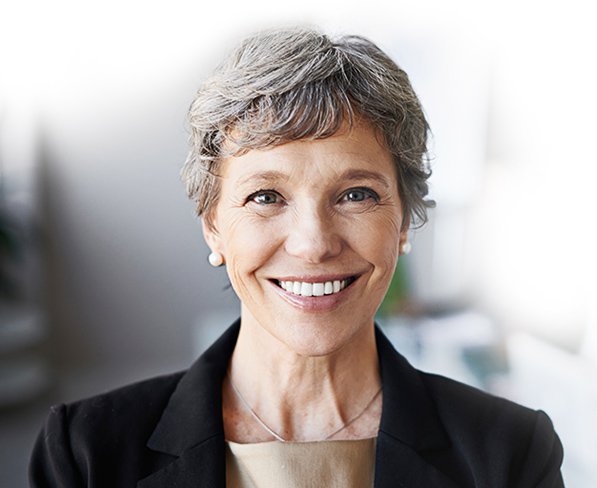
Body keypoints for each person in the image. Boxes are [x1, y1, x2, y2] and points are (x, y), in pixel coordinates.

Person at [29, 28, 564, 487]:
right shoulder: (85, 453)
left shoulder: (510, 453)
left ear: (403, 221)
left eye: (356, 194)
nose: (313, 243)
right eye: (266, 197)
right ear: (213, 226)